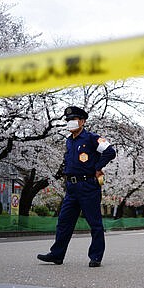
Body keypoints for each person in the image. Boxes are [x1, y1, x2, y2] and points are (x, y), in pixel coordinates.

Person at [37, 106, 116, 267]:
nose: (70, 123)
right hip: (71, 187)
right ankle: (57, 255)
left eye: (73, 120)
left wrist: (97, 167)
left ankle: (96, 256)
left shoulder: (92, 138)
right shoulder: (69, 140)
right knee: (64, 222)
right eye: (68, 120)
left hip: (88, 186)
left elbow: (110, 151)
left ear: (82, 121)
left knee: (94, 223)